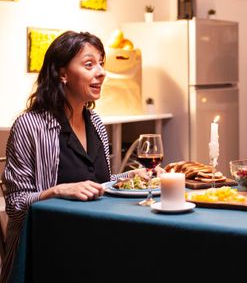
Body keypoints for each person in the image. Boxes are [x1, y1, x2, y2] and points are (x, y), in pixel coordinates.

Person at [1, 31, 163, 282]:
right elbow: (15, 205)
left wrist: (132, 175)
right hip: (47, 253)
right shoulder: (30, 126)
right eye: (89, 64)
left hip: (94, 241)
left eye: (101, 63)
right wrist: (56, 191)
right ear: (62, 74)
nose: (101, 72)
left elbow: (99, 183)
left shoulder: (96, 123)